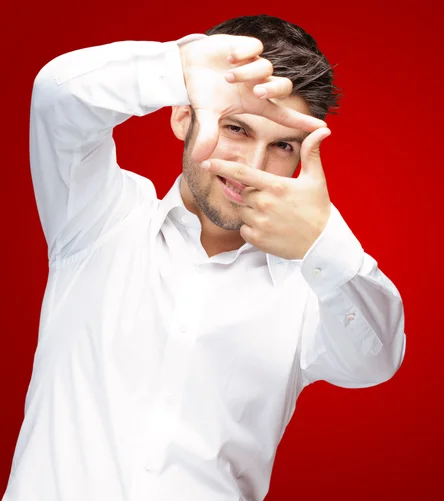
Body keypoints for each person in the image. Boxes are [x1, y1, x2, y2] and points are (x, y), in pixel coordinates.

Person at [3, 14, 406, 501]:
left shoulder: (308, 289)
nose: (252, 167)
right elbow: (58, 99)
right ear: (182, 116)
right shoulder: (99, 217)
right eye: (236, 127)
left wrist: (323, 242)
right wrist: (177, 67)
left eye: (282, 145)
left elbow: (373, 361)